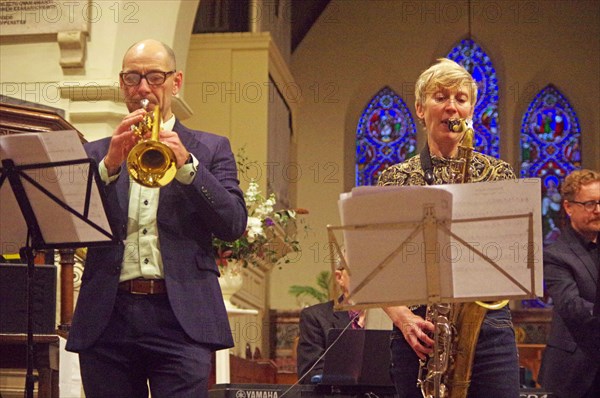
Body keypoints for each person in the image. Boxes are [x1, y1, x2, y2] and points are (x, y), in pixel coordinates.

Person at [65, 39, 247, 398]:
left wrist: (189, 168)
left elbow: (233, 225)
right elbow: (70, 228)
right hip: (108, 318)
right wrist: (108, 168)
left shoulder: (210, 149)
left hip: (181, 319)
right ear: (122, 85)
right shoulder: (95, 153)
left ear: (175, 83)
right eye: (133, 78)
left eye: (154, 77)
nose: (143, 88)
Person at [377, 58, 520, 398]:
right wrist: (403, 319)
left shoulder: (498, 174)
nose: (451, 107)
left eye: (460, 99)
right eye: (440, 97)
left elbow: (515, 256)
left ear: (471, 109)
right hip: (419, 332)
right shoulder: (394, 179)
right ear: (419, 108)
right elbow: (374, 265)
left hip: (488, 330)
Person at [538, 169, 600, 398]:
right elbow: (570, 306)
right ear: (568, 207)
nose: (598, 210)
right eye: (590, 204)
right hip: (573, 373)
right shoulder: (555, 255)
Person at [296, 265, 365, 383]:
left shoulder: (395, 318)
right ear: (339, 277)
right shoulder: (315, 316)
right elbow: (310, 374)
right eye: (360, 269)